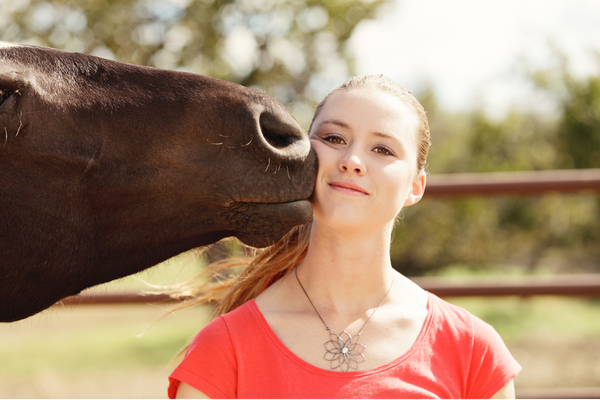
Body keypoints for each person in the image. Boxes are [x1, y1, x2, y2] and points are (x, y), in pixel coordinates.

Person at [167, 75, 521, 399]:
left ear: (416, 186)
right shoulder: (223, 349)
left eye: (383, 149)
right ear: (302, 156)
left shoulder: (473, 350)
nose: (352, 160)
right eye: (334, 138)